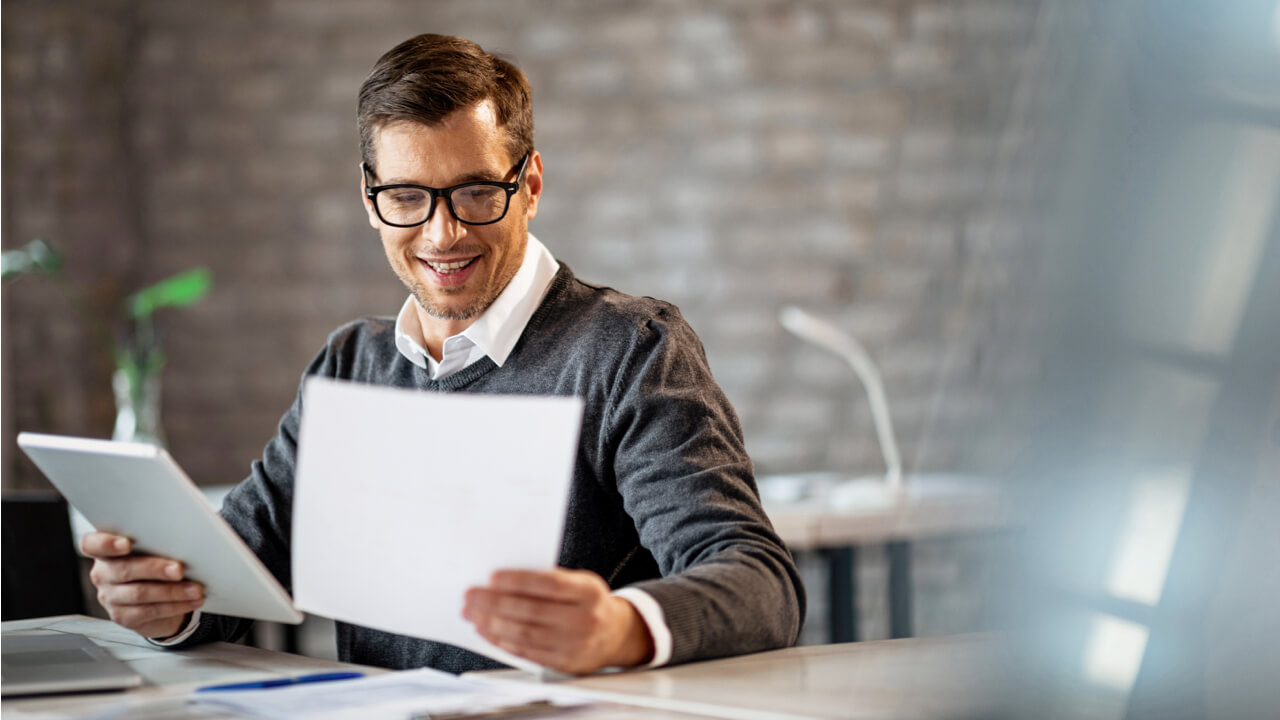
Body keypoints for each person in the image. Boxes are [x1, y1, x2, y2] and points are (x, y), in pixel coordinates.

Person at [80, 34, 804, 675]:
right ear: (370, 200)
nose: (442, 233)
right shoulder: (350, 364)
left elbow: (759, 582)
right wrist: (166, 601)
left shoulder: (629, 351)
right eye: (407, 196)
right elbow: (237, 572)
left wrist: (619, 628)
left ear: (531, 185)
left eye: (475, 192)